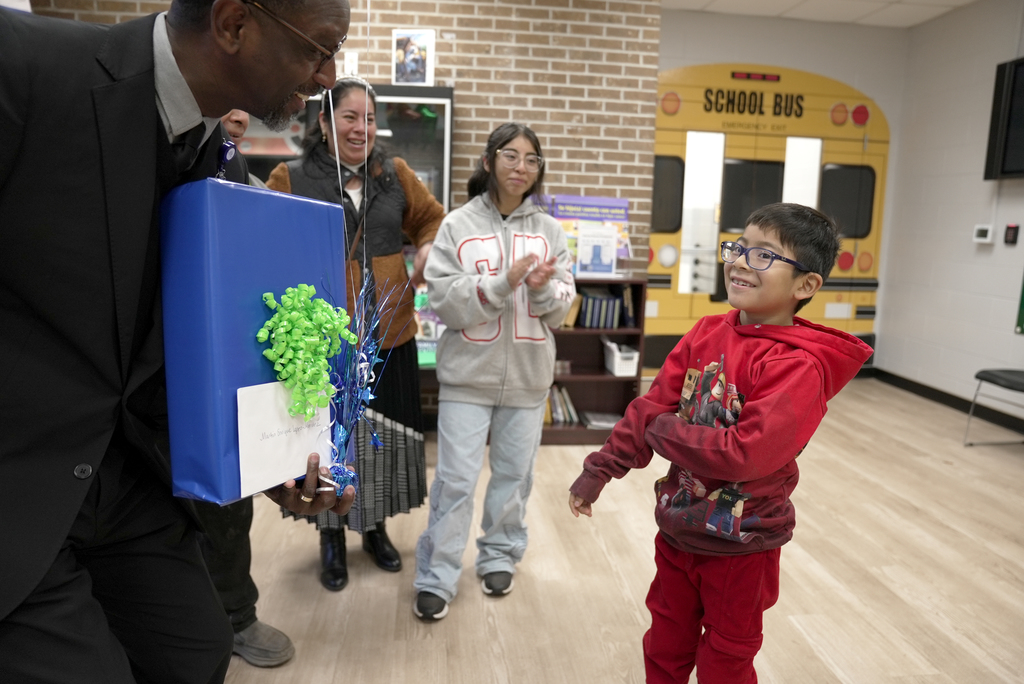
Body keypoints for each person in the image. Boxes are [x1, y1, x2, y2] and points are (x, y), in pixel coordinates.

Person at [0, 1, 355, 682]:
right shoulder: (25, 67)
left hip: (129, 482)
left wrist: (273, 464)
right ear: (233, 23)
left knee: (196, 651)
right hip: (20, 484)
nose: (327, 76)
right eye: (319, 48)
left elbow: (196, 349)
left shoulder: (221, 167)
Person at [568, 203, 874, 683]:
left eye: (764, 255)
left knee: (726, 658)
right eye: (739, 247)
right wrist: (600, 469)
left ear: (806, 285)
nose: (740, 262)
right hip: (677, 526)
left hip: (743, 544)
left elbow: (742, 455)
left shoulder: (797, 366)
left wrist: (662, 430)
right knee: (665, 640)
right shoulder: (706, 331)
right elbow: (650, 406)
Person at [265, 77, 444, 591]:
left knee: (381, 440)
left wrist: (427, 247)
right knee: (326, 444)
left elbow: (431, 219)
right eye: (349, 116)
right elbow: (265, 240)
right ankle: (330, 537)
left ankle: (374, 528)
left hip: (389, 336)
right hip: (319, 344)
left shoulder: (396, 174)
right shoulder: (291, 177)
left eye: (368, 118)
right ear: (324, 122)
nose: (360, 127)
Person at [412, 122, 576, 621]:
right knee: (455, 481)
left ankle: (499, 555)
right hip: (467, 379)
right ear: (488, 161)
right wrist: (502, 283)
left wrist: (542, 287)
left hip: (527, 380)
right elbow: (444, 301)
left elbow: (562, 308)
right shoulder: (457, 225)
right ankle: (437, 575)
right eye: (510, 155)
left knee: (513, 477)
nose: (521, 167)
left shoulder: (549, 231)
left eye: (531, 159)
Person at [188, 108, 295, 671]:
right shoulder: (155, 152)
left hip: (225, 363)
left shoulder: (242, 176)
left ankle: (236, 615)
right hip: (148, 365)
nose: (234, 112)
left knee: (228, 499)